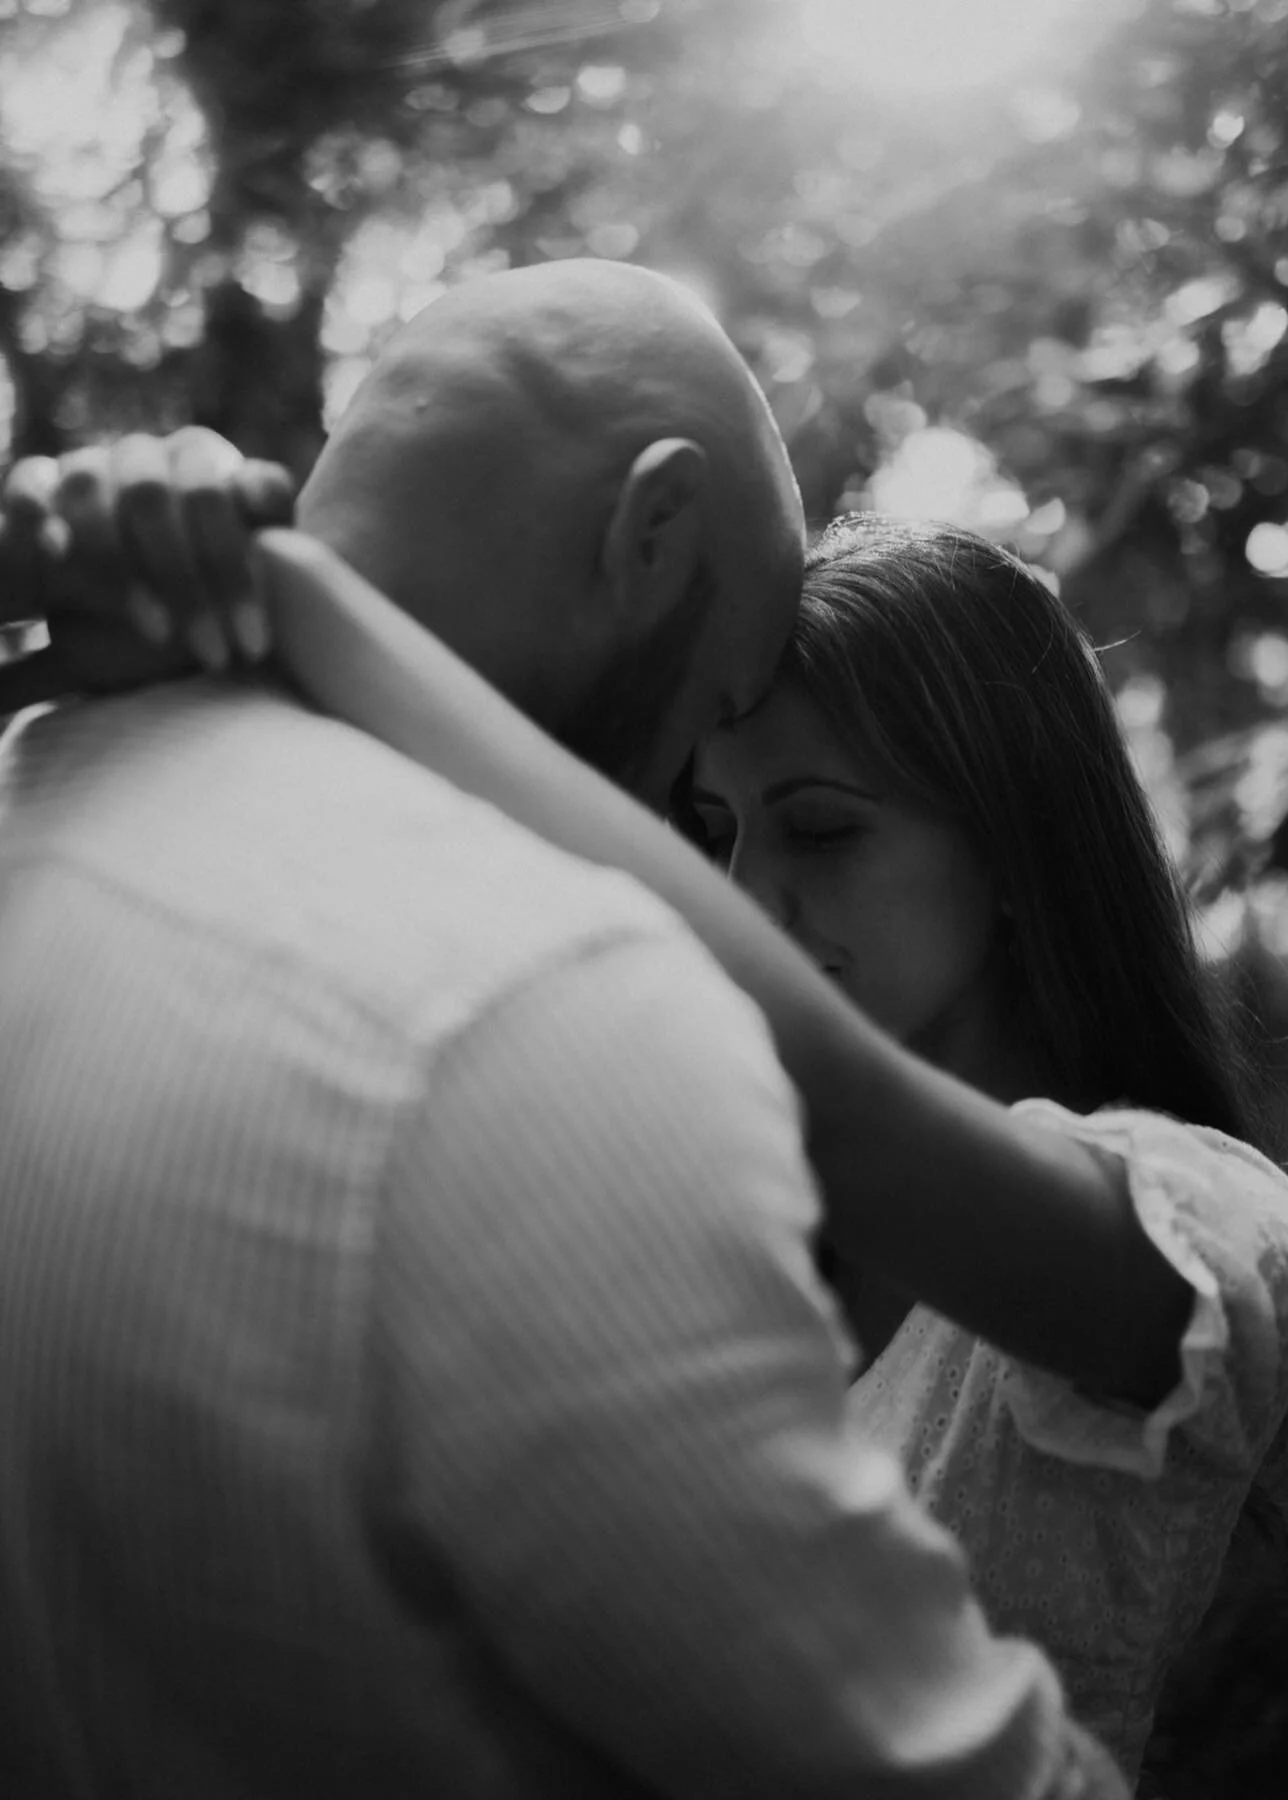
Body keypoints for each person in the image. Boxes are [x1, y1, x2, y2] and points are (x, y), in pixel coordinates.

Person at [0, 262, 1131, 1799]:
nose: (692, 850)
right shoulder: (545, 1015)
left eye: (818, 828)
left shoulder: (45, 788)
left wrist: (285, 590)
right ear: (650, 533)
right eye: (709, 743)